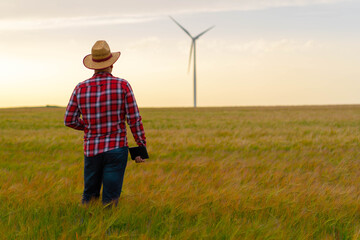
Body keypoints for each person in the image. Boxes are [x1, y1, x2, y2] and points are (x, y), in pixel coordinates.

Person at [64, 40, 146, 206]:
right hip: (117, 148)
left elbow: (69, 120)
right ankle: (108, 228)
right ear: (112, 64)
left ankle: (86, 226)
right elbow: (134, 119)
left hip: (92, 149)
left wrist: (88, 127)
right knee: (111, 198)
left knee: (89, 196)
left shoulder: (80, 88)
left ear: (93, 65)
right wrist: (140, 148)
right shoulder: (123, 85)